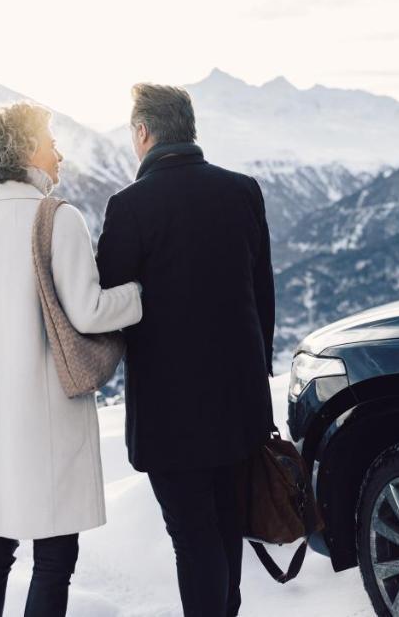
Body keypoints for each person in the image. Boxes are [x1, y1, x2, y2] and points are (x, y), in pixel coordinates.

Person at [0, 102, 143, 617]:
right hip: (46, 416)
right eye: (50, 141)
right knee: (55, 554)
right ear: (25, 151)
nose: (59, 153)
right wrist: (142, 294)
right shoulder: (58, 218)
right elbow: (88, 311)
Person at [96, 83, 275, 617]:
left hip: (170, 414)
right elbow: (262, 295)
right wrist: (254, 372)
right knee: (225, 528)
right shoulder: (242, 191)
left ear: (143, 132)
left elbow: (107, 303)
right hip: (239, 403)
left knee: (193, 539)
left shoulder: (129, 206)